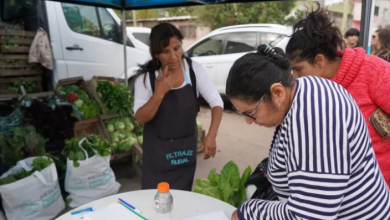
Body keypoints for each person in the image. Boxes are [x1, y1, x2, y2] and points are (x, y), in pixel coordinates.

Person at [228, 44, 390, 220]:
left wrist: (249, 211)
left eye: (251, 113)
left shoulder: (314, 118)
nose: (249, 121)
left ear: (277, 92)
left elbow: (312, 215)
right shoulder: (305, 87)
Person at [285, 6, 390, 188]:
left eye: (298, 69)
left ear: (319, 61)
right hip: (340, 193)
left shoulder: (374, 71)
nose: (295, 78)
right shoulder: (310, 90)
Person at [133, 23, 223, 191]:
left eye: (177, 49)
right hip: (157, 159)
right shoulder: (146, 79)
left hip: (184, 156)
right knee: (156, 204)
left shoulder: (194, 70)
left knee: (183, 201)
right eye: (166, 52)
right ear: (156, 54)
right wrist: (158, 93)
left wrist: (211, 135)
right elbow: (140, 118)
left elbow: (217, 102)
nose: (173, 57)